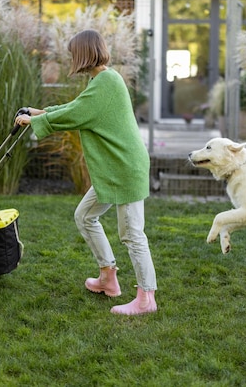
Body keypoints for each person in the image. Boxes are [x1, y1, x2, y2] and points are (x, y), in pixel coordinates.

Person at [14, 29, 157, 315]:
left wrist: (33, 121)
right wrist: (40, 112)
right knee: (85, 216)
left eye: (72, 54)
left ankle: (146, 299)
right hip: (113, 170)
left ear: (83, 54)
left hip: (124, 169)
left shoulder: (107, 82)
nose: (70, 59)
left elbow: (77, 113)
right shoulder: (102, 80)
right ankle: (108, 277)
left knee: (132, 234)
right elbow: (76, 107)